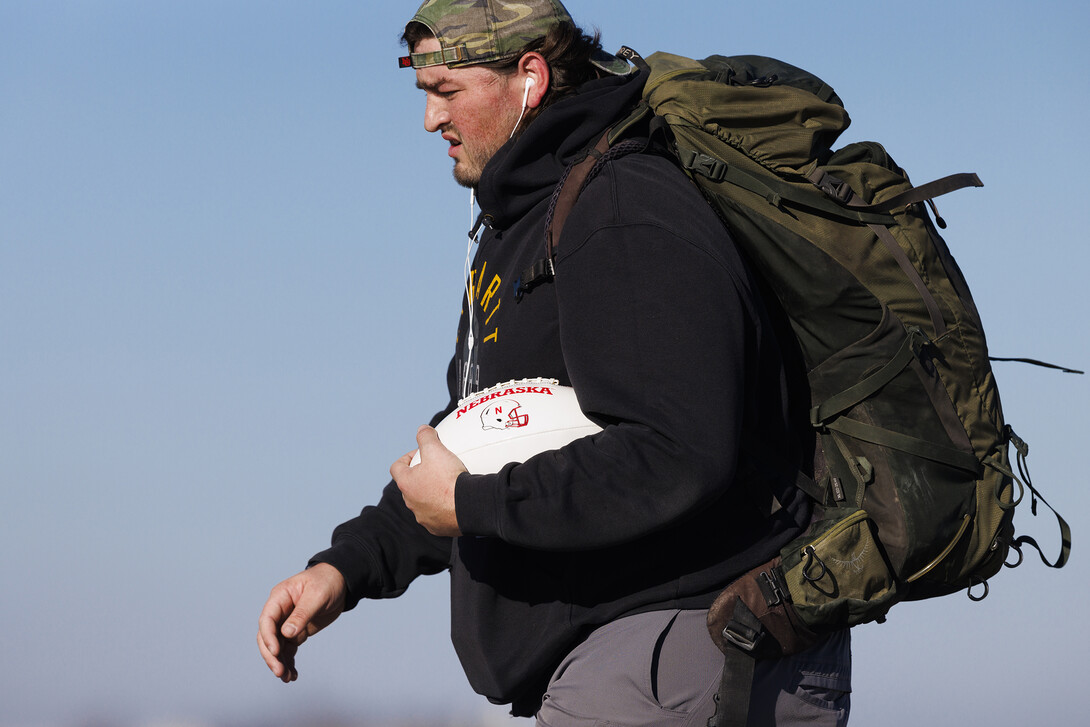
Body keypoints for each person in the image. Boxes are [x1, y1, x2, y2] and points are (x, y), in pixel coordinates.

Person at [257, 2, 852, 725]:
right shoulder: (529, 222)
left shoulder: (622, 205)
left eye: (446, 91)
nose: (428, 121)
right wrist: (347, 566)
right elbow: (483, 440)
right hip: (631, 664)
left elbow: (679, 448)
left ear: (529, 78)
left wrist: (474, 505)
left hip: (676, 653)